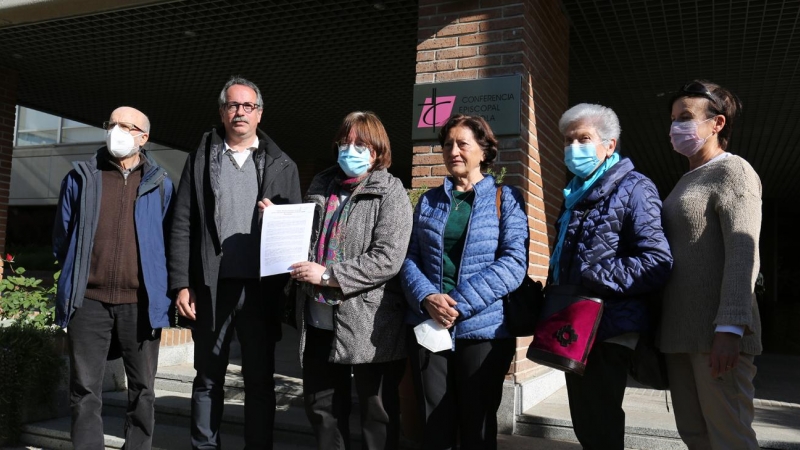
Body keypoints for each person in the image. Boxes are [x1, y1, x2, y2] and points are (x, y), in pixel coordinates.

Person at [169, 76, 302, 449]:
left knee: (260, 380)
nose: (240, 112)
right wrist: (181, 282)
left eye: (248, 106)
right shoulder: (199, 160)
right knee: (208, 378)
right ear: (222, 112)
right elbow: (182, 223)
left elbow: (297, 230)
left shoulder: (282, 165)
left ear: (259, 113)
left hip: (261, 291)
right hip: (211, 288)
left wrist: (279, 218)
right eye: (233, 105)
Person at [283, 111, 412, 450]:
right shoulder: (321, 185)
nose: (350, 149)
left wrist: (328, 275)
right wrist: (279, 221)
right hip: (318, 320)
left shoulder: (391, 191)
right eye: (345, 142)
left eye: (360, 144)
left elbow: (387, 257)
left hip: (370, 323)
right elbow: (304, 240)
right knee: (322, 409)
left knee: (376, 414)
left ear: (377, 151)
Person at [400, 114, 528, 450]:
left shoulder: (507, 199)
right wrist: (427, 297)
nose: (452, 151)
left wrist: (457, 303)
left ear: (484, 151)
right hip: (430, 327)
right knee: (434, 426)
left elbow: (514, 263)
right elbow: (410, 258)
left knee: (477, 427)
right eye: (447, 144)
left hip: (483, 331)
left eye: (462, 144)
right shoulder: (428, 201)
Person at [551, 103, 672, 449]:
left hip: (609, 324)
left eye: (584, 138)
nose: (574, 148)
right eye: (568, 140)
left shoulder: (635, 188)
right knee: (586, 423)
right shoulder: (575, 192)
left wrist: (592, 276)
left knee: (600, 421)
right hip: (574, 321)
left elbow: (657, 261)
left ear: (610, 144)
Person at [53, 106, 173, 450]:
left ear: (143, 137)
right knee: (85, 389)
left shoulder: (162, 184)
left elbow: (166, 242)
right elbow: (62, 236)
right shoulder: (81, 176)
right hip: (88, 301)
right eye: (111, 124)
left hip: (140, 303)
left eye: (125, 126)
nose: (115, 131)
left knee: (143, 391)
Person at [660, 80, 762, 449]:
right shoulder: (685, 180)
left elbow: (743, 250)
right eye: (673, 119)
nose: (676, 127)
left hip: (716, 338)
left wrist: (731, 328)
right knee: (696, 436)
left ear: (717, 123)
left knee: (730, 439)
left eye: (685, 117)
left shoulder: (733, 172)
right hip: (681, 335)